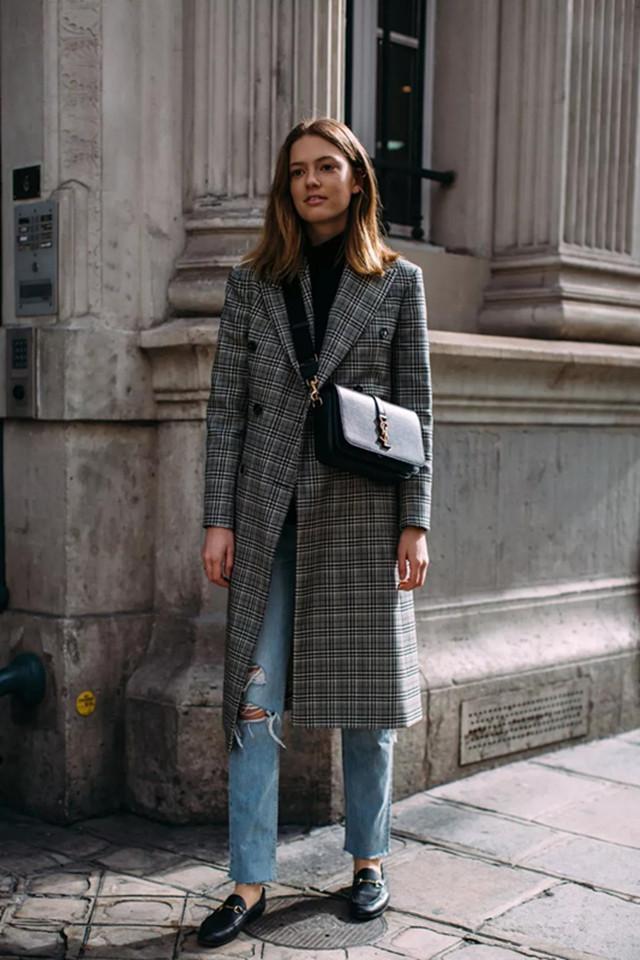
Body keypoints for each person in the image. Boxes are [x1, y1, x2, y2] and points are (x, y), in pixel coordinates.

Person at [197, 116, 433, 949]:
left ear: (357, 178)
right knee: (252, 701)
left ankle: (368, 862)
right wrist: (218, 518)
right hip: (268, 517)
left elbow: (417, 410)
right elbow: (226, 409)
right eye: (297, 170)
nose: (310, 182)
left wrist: (416, 522)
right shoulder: (252, 282)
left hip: (363, 518)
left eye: (326, 166)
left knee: (369, 707)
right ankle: (248, 882)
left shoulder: (397, 282)